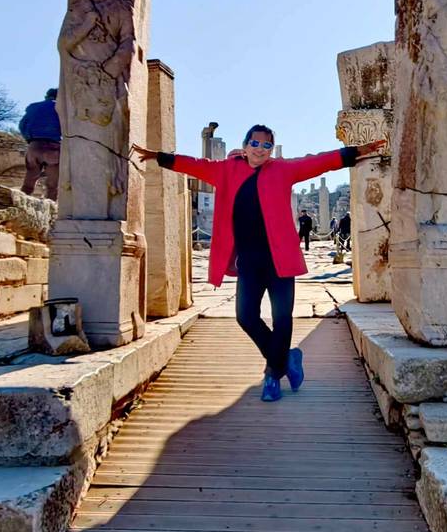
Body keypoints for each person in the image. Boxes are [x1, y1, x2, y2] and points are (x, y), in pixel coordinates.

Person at [134, 127, 385, 402]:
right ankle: (287, 358)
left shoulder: (283, 170)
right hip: (249, 262)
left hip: (281, 260)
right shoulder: (226, 170)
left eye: (266, 145)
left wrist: (355, 152)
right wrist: (158, 156)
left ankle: (272, 376)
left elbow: (318, 162)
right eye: (254, 143)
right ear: (245, 146)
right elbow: (194, 165)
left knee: (282, 318)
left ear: (271, 150)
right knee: (246, 316)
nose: (260, 149)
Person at [19, 88, 61, 200]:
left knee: (29, 180)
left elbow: (22, 125)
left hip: (35, 146)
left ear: (46, 96)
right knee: (53, 185)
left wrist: (29, 139)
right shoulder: (60, 108)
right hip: (54, 147)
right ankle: (51, 207)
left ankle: (22, 202)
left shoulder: (33, 107)